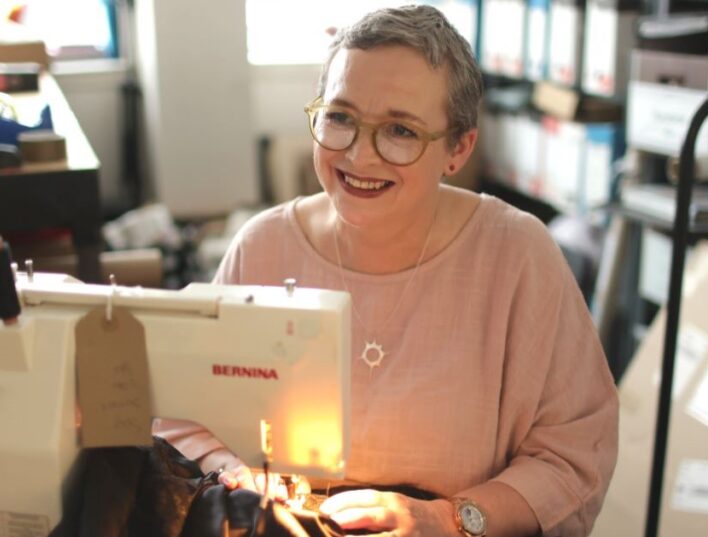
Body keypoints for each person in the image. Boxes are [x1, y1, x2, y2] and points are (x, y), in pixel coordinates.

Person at [156, 5, 618, 536]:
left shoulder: (517, 255)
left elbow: (574, 453)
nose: (359, 154)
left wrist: (447, 520)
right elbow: (185, 416)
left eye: (400, 129)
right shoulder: (263, 247)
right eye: (340, 117)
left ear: (458, 148)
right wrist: (236, 472)